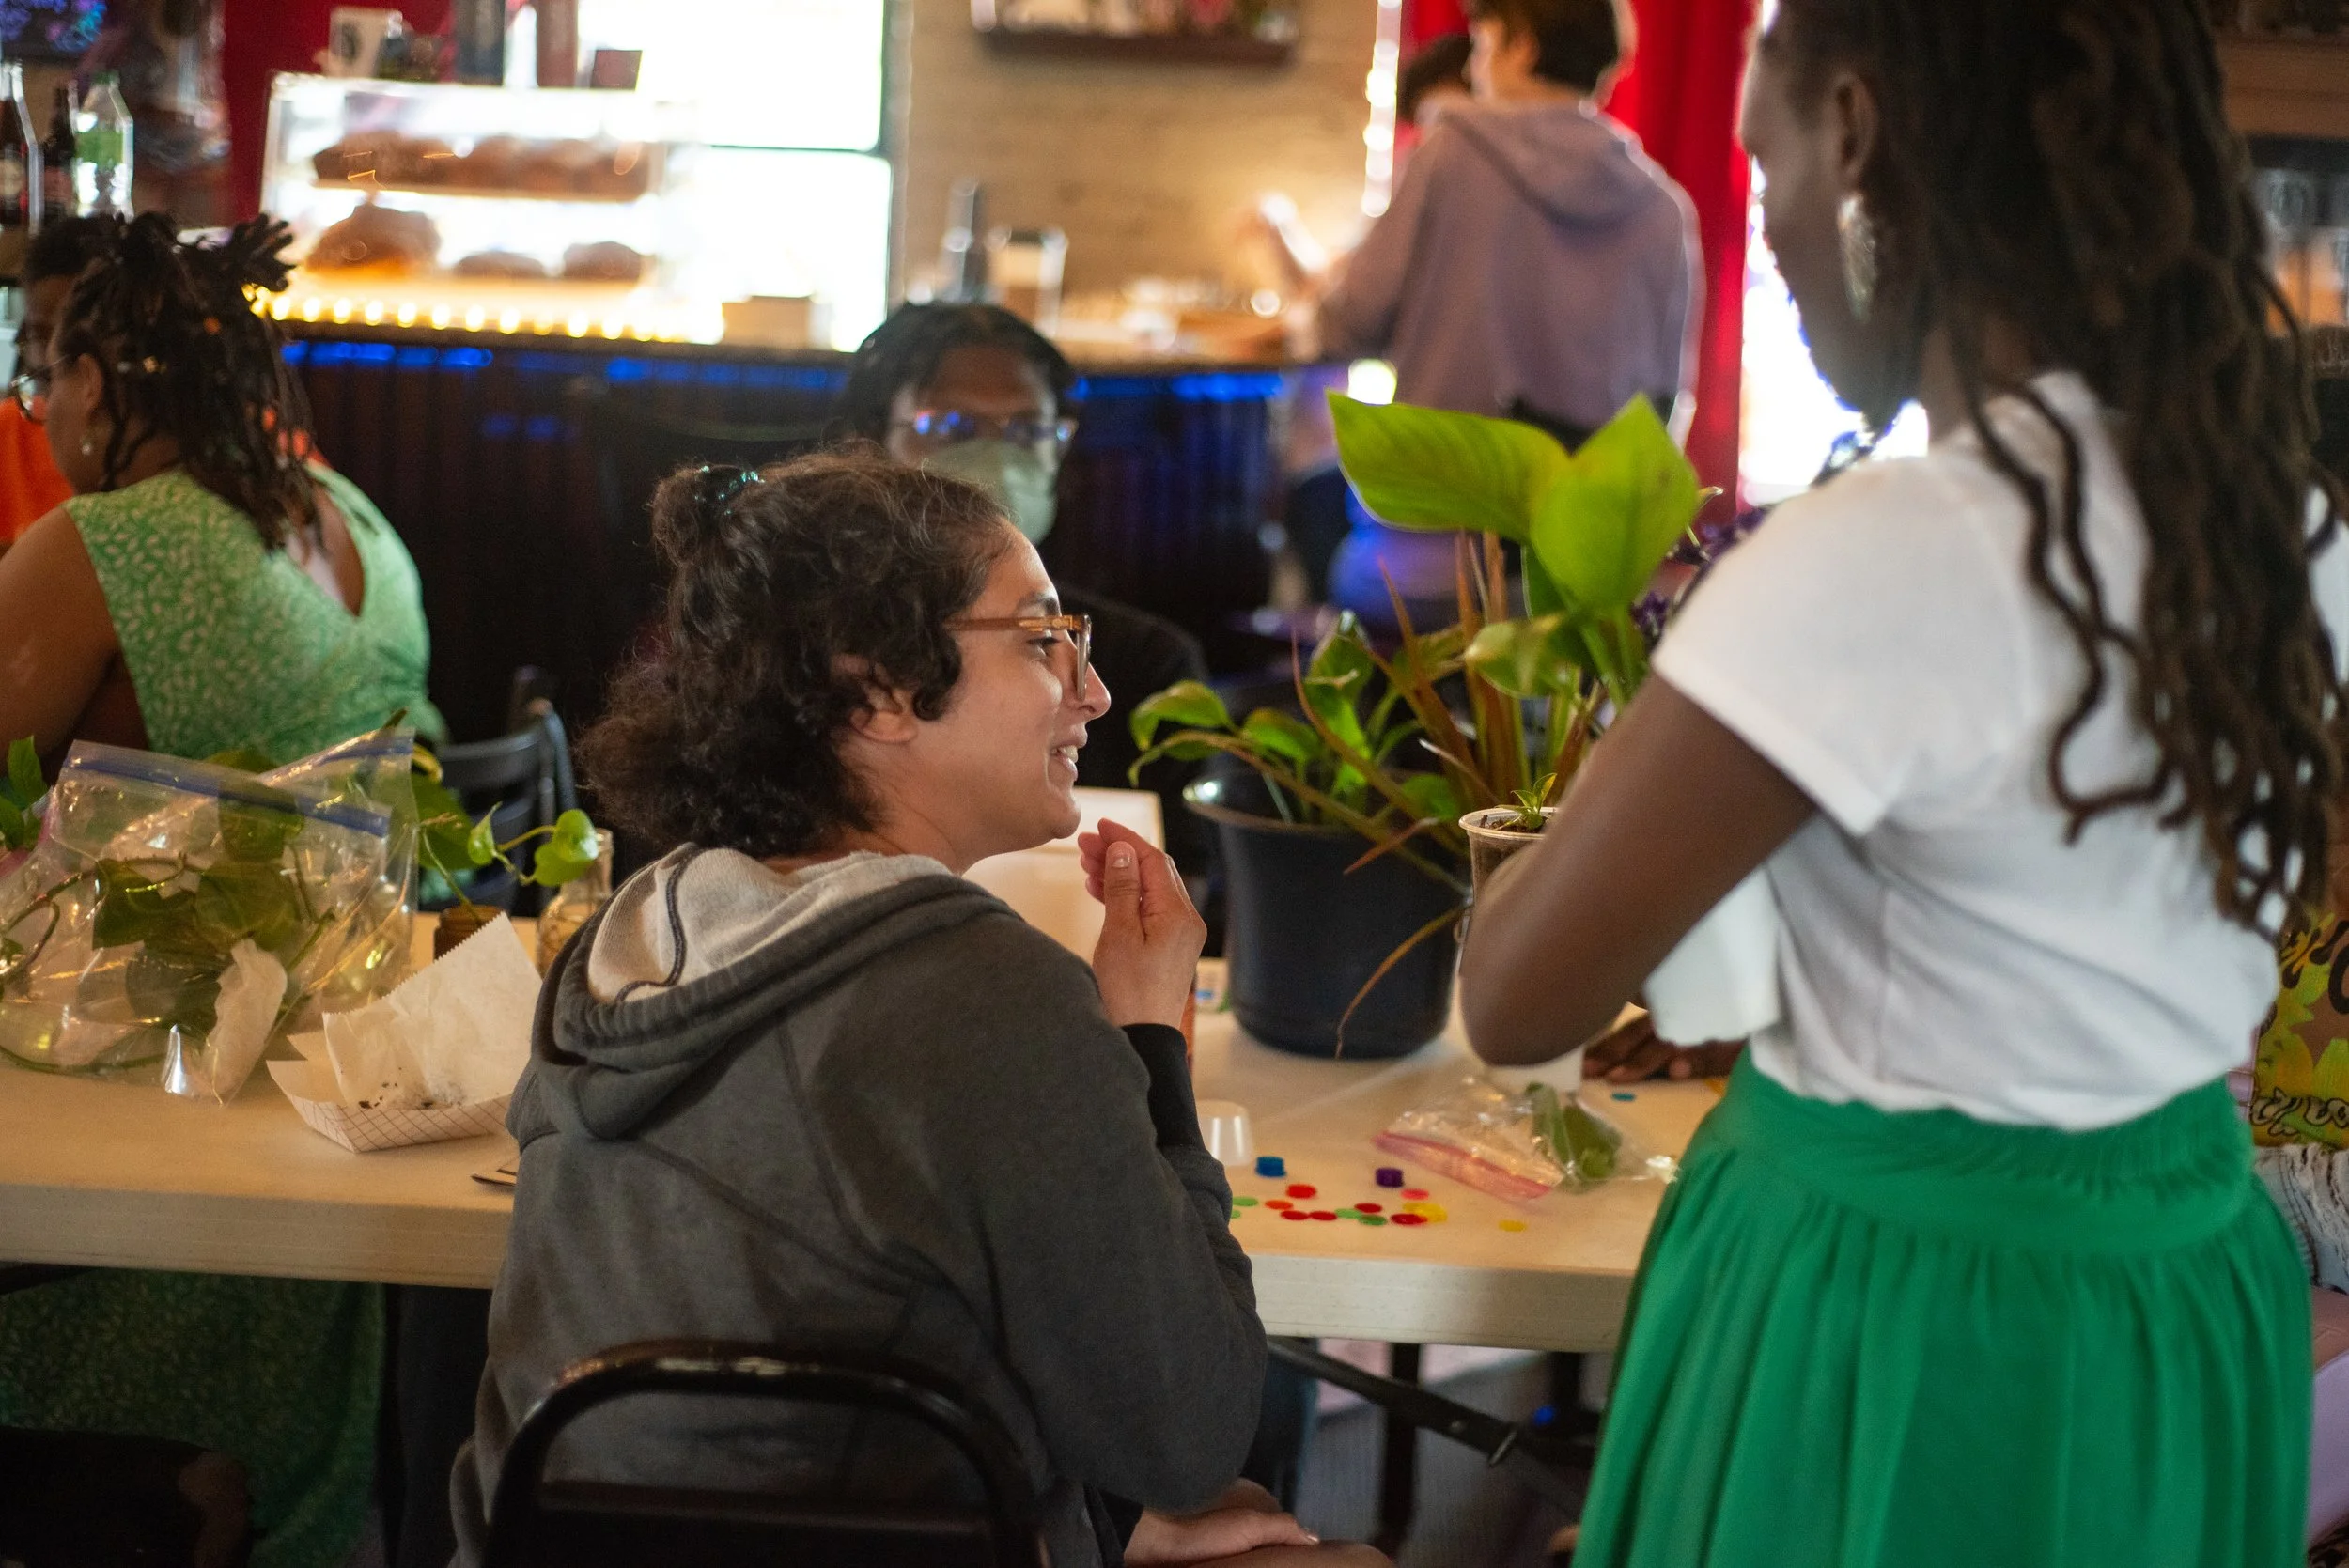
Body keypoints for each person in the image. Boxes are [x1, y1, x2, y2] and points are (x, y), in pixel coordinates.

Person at [1462, 1, 2343, 1562]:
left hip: (1909, 1299)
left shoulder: (1880, 555)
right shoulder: (2293, 536)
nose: (1775, 235)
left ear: (1859, 132)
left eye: (1765, 165)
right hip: (2183, 1280)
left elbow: (1518, 992)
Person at [450, 453, 1381, 1568]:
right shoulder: (978, 994)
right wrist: (1147, 1031)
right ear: (880, 690)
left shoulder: (627, 939)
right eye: (1043, 641)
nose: (1092, 689)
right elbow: (1184, 1430)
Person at [0, 213, 442, 1568]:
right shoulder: (362, 530)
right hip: (318, 1109)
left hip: (115, 1124)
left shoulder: (104, 548)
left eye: (44, 371)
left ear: (92, 383)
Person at [1270, 0, 1698, 628]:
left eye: (1480, 43)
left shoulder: (1450, 155)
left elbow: (1347, 326)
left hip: (1433, 570)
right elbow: (1665, 413)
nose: (1473, 66)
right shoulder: (1665, 209)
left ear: (1519, 46)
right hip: (1580, 586)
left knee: (1314, 518)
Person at [833, 303, 1217, 887]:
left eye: (1028, 430)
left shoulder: (1143, 666)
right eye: (952, 428)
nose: (997, 458)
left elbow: (1188, 882)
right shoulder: (824, 645)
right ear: (870, 444)